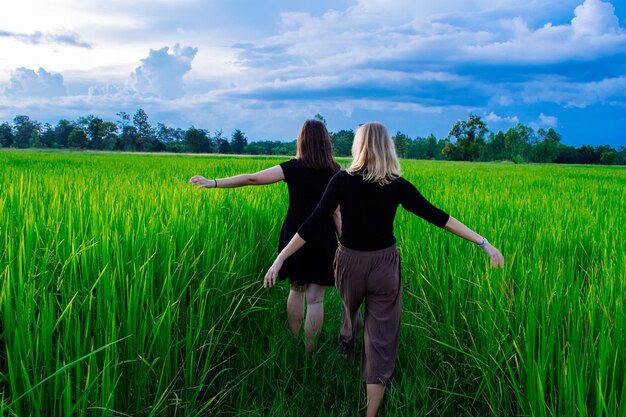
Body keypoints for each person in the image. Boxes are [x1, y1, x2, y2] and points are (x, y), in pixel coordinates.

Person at [263, 122, 504, 417]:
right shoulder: (396, 184)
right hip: (384, 265)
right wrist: (483, 242)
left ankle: (347, 344)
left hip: (349, 262)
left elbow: (312, 223)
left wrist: (280, 259)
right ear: (386, 146)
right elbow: (438, 216)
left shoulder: (340, 181)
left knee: (349, 313)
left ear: (358, 146)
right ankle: (370, 412)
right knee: (379, 338)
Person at [190, 120, 341, 355]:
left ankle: (293, 342)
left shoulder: (292, 168)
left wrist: (214, 183)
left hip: (294, 233)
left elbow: (252, 178)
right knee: (316, 300)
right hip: (323, 236)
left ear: (301, 140)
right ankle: (309, 352)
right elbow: (337, 211)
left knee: (296, 289)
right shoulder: (335, 170)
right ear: (325, 142)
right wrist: (347, 243)